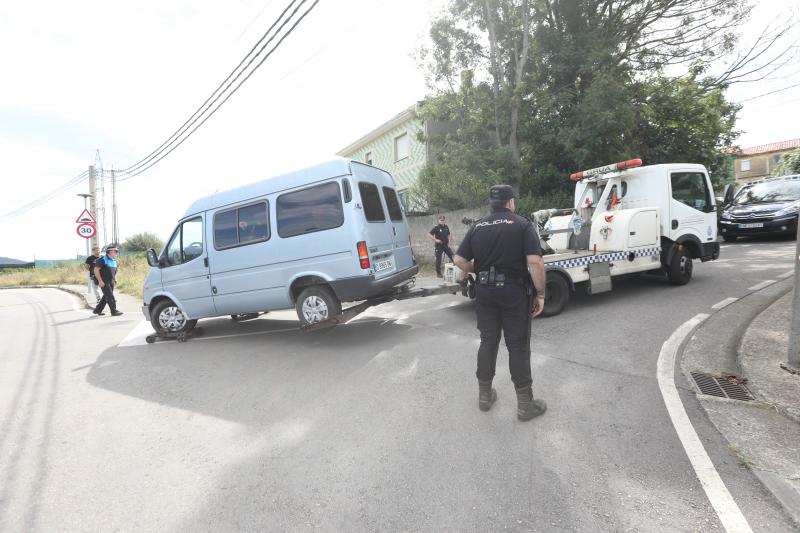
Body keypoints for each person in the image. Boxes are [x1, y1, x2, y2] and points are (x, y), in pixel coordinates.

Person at [453, 184, 547, 421]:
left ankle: (485, 396)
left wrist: (478, 269)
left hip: (485, 293)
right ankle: (525, 405)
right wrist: (541, 293)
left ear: (492, 203)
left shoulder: (477, 226)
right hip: (514, 292)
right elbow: (535, 263)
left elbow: (459, 259)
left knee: (488, 342)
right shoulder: (521, 224)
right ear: (510, 202)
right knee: (517, 346)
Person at [93, 245, 123, 316]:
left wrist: (114, 279)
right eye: (115, 251)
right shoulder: (102, 259)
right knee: (110, 296)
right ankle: (114, 311)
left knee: (106, 296)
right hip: (103, 281)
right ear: (110, 252)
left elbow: (113, 271)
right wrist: (100, 281)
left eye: (117, 251)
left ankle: (97, 310)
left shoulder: (114, 261)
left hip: (111, 281)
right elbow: (96, 270)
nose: (117, 253)